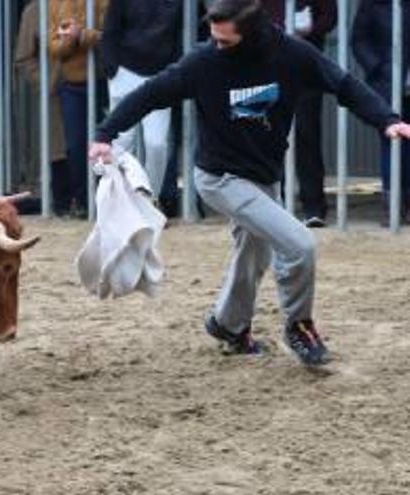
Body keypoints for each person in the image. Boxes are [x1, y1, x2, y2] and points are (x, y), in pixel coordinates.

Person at [89, 0, 410, 366]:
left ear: (254, 34)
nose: (217, 47)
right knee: (300, 244)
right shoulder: (203, 62)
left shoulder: (292, 55)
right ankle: (299, 326)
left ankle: (229, 324)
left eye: (226, 41)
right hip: (219, 177)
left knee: (253, 255)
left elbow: (344, 84)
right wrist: (105, 133)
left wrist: (386, 119)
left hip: (263, 177)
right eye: (213, 38)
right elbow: (149, 94)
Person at [262, 0, 336, 227]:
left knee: (306, 134)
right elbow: (246, 14)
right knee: (268, 132)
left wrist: (310, 28)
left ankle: (313, 206)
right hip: (268, 64)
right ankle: (275, 202)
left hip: (305, 65)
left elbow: (330, 16)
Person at [100, 0, 183, 200]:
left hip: (160, 75)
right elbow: (111, 30)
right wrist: (113, 69)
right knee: (121, 141)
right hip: (126, 71)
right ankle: (117, 199)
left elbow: (180, 34)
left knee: (157, 144)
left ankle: (147, 199)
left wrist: (174, 71)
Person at [352, 0, 410, 225]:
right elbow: (358, 39)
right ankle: (394, 204)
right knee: (392, 141)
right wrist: (378, 67)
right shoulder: (372, 4)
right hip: (387, 85)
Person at [49, 0, 108, 217]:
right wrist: (72, 40)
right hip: (72, 84)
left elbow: (108, 35)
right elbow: (53, 47)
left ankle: (108, 199)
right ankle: (84, 201)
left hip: (104, 80)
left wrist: (80, 34)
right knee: (76, 146)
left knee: (107, 143)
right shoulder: (56, 3)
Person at [15, 0, 68, 203]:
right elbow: (23, 57)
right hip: (56, 93)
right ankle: (63, 200)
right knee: (58, 147)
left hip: (91, 85)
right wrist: (45, 81)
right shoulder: (35, 10)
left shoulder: (90, 4)